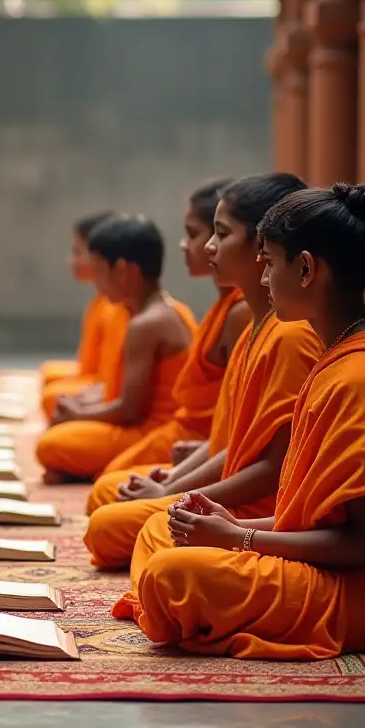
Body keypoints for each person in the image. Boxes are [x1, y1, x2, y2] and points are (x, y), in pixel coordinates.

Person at [127, 183, 365, 659]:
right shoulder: (340, 359)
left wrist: (242, 537)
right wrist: (231, 525)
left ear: (307, 269)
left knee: (172, 578)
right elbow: (315, 512)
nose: (264, 278)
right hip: (336, 566)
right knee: (164, 543)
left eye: (270, 262)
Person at [90, 173, 320, 572]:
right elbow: (234, 439)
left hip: (256, 510)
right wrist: (175, 483)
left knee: (118, 529)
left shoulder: (289, 335)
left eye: (220, 234)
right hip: (221, 482)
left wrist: (178, 492)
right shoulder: (255, 326)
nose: (208, 247)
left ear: (263, 246)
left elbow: (275, 467)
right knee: (111, 504)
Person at [85, 179, 250, 505]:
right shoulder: (225, 310)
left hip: (202, 444)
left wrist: (176, 488)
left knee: (105, 495)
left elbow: (254, 441)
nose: (201, 247)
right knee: (109, 492)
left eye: (194, 233)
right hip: (200, 442)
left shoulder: (245, 316)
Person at [35, 215, 197, 483]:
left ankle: (88, 467)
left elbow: (131, 411)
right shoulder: (165, 310)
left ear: (123, 271)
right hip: (154, 428)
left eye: (99, 271)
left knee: (51, 446)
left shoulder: (147, 323)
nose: (96, 282)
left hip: (158, 433)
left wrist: (78, 414)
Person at [39, 213, 128, 416]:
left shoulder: (116, 309)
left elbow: (115, 384)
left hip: (106, 390)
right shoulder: (102, 303)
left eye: (77, 252)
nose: (71, 260)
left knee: (52, 396)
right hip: (99, 384)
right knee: (49, 376)